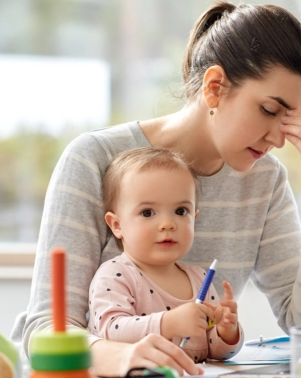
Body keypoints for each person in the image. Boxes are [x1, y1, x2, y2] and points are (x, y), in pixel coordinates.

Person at [11, 0, 301, 377]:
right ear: (215, 87)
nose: (278, 139)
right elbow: (45, 331)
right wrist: (123, 356)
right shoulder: (95, 158)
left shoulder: (263, 179)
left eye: (290, 120)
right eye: (270, 110)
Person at [88, 147, 243, 363]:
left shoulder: (200, 280)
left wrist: (226, 331)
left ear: (195, 217)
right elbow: (110, 331)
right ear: (117, 225)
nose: (168, 224)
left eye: (181, 211)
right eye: (147, 212)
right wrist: (168, 323)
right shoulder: (114, 275)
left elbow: (215, 353)